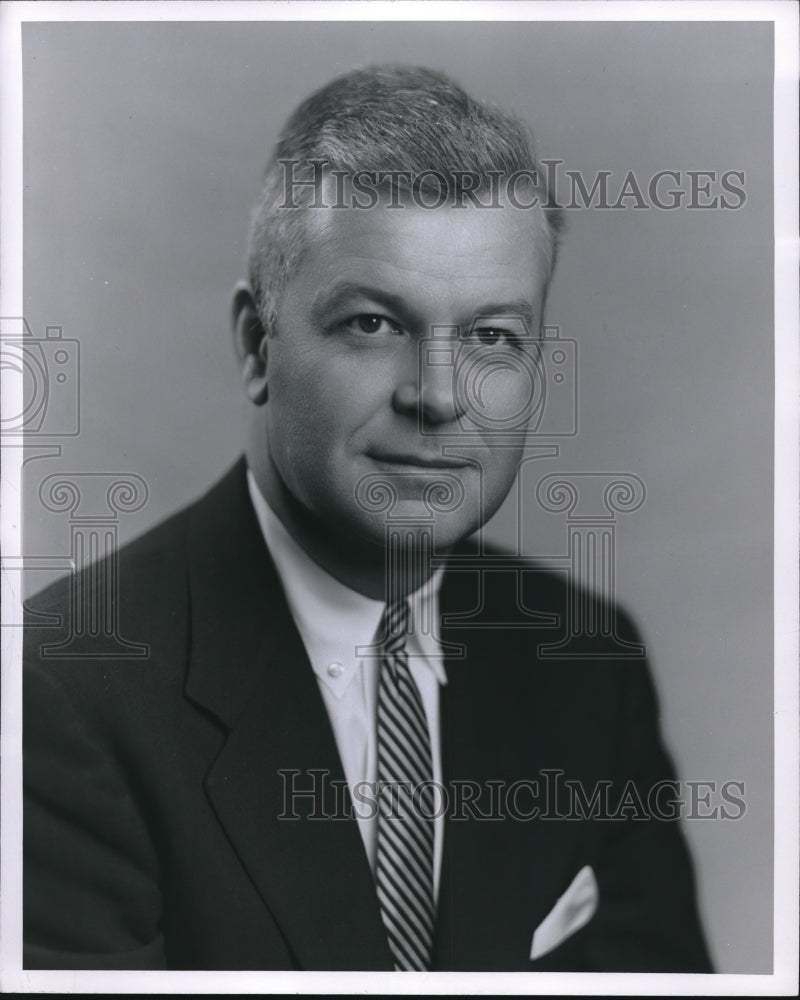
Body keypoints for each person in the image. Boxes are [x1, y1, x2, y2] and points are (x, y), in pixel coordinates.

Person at [23, 65, 712, 972]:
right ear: (256, 346)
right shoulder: (57, 695)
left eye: (491, 337)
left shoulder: (590, 663)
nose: (437, 396)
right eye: (374, 324)